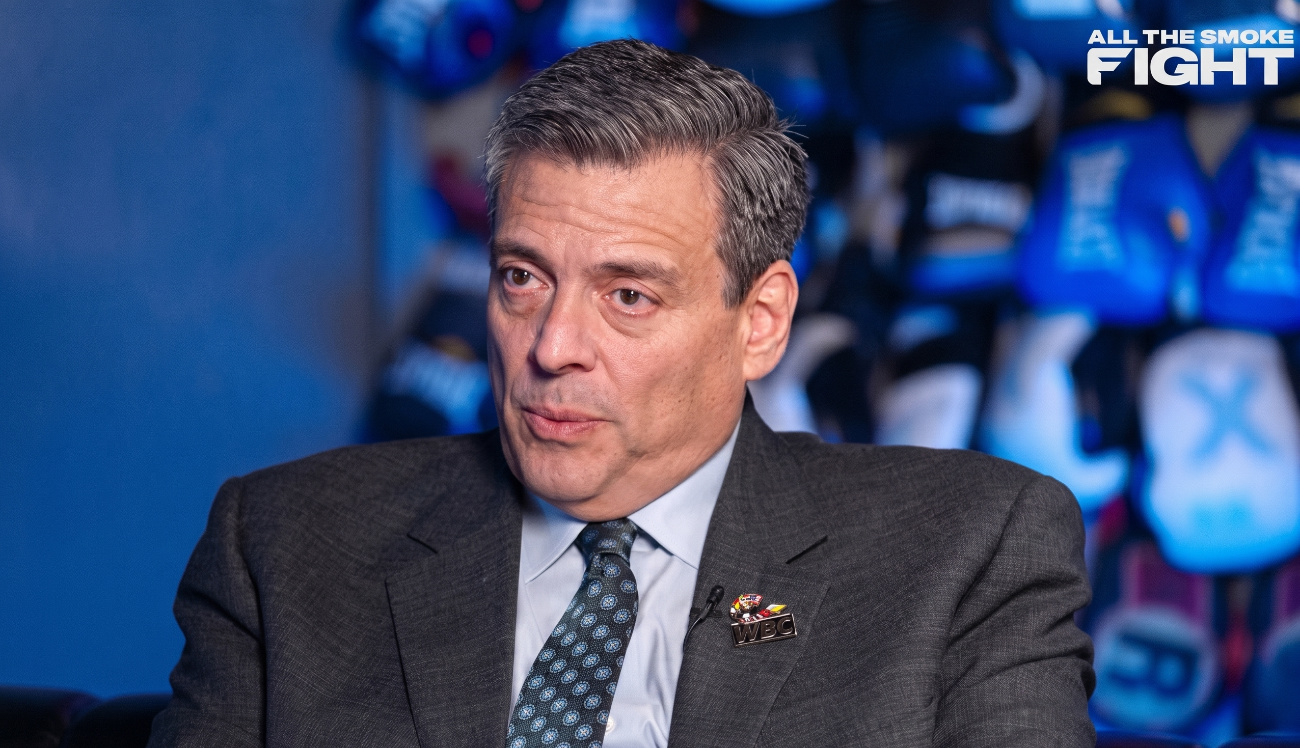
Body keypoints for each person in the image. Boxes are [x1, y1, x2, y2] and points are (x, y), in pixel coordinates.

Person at [148, 39, 1094, 748]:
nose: (553, 347)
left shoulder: (965, 551)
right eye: (522, 278)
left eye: (628, 296)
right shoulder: (284, 544)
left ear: (760, 323)